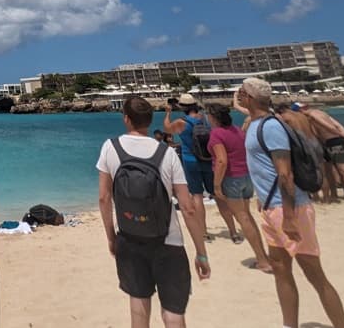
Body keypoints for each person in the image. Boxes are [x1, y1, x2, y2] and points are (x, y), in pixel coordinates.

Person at [238, 78, 344, 328]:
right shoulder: (255, 123)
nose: (238, 95)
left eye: (241, 92)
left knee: (314, 274)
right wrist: (262, 199)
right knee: (280, 268)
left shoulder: (271, 127)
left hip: (290, 208)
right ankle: (290, 325)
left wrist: (287, 215)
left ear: (251, 98)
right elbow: (263, 168)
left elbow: (284, 173)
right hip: (270, 206)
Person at [98, 96, 210, 327]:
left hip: (129, 236)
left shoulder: (111, 147)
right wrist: (201, 252)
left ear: (126, 119)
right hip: (168, 240)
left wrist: (111, 236)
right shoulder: (166, 153)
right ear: (149, 121)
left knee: (138, 301)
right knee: (173, 310)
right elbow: (188, 208)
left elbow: (104, 197)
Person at [206, 104, 272, 272]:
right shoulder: (238, 131)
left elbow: (221, 161)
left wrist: (216, 185)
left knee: (243, 218)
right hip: (246, 176)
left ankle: (262, 259)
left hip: (231, 178)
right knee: (247, 216)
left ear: (213, 118)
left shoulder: (216, 134)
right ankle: (263, 255)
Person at [164, 93, 236, 242]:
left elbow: (167, 129)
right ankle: (233, 232)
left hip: (190, 160)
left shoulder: (181, 122)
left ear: (182, 107)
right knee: (217, 195)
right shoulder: (205, 119)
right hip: (208, 159)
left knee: (197, 195)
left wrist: (168, 113)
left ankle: (204, 233)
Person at [298, 104, 344, 203]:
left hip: (334, 142)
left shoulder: (312, 116)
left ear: (301, 110)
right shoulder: (322, 113)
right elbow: (338, 125)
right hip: (341, 140)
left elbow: (330, 128)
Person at [274, 104, 335, 204]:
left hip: (304, 145)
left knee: (308, 171)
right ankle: (326, 198)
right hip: (315, 142)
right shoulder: (302, 115)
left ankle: (315, 197)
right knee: (321, 172)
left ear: (281, 111)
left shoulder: (285, 117)